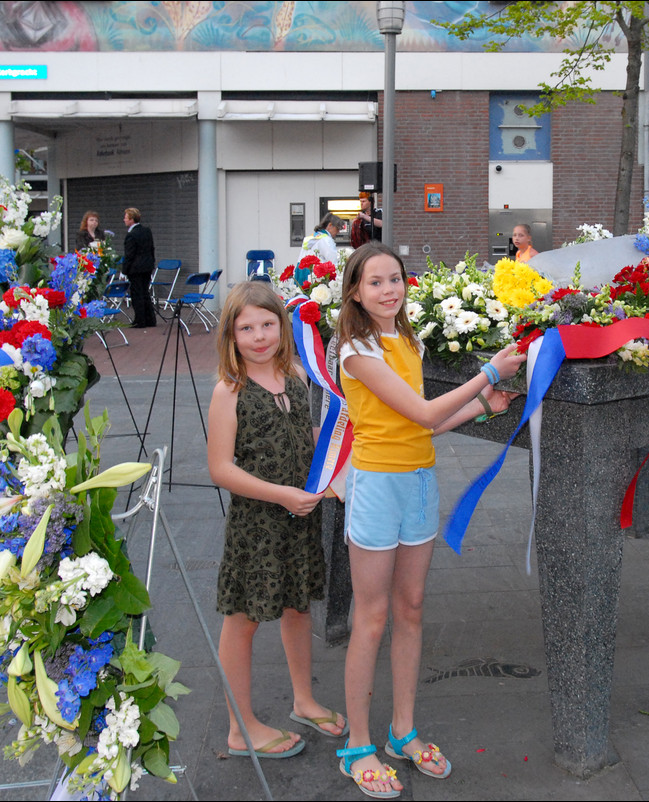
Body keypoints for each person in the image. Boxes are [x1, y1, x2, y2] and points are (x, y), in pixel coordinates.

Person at [334, 242, 524, 798]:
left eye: (396, 278)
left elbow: (424, 428)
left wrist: (482, 406)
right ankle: (357, 746)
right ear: (355, 291)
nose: (389, 289)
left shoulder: (405, 339)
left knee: (411, 610)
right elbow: (419, 410)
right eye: (376, 282)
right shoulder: (356, 349)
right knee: (370, 618)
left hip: (418, 481)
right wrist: (489, 370)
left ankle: (403, 732)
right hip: (376, 488)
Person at [207, 281, 346, 760]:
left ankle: (303, 700)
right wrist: (281, 494)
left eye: (268, 324)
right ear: (232, 335)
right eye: (247, 328)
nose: (260, 335)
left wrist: (331, 465)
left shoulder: (295, 378)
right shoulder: (230, 390)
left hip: (298, 520)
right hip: (257, 527)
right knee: (243, 620)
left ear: (283, 329)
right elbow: (220, 468)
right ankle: (238, 726)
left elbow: (303, 436)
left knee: (298, 608)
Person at [123, 208, 156, 328]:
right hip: (147, 267)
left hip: (135, 269)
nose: (124, 220)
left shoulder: (131, 235)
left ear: (131, 219)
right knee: (145, 292)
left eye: (126, 217)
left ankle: (140, 320)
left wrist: (124, 270)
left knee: (137, 294)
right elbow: (151, 249)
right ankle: (151, 319)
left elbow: (129, 255)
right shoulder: (147, 231)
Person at [299, 213, 344, 280]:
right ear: (330, 225)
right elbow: (333, 262)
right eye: (337, 228)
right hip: (316, 277)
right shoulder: (326, 240)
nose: (338, 232)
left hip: (301, 274)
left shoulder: (311, 237)